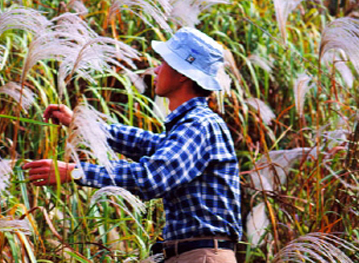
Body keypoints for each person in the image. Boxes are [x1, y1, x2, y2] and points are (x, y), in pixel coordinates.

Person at [23, 27, 241, 262]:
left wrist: (75, 172)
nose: (156, 69)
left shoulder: (199, 124)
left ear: (182, 74)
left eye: (164, 63)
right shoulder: (190, 126)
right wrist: (82, 123)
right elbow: (149, 145)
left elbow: (152, 177)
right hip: (194, 254)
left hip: (202, 256)